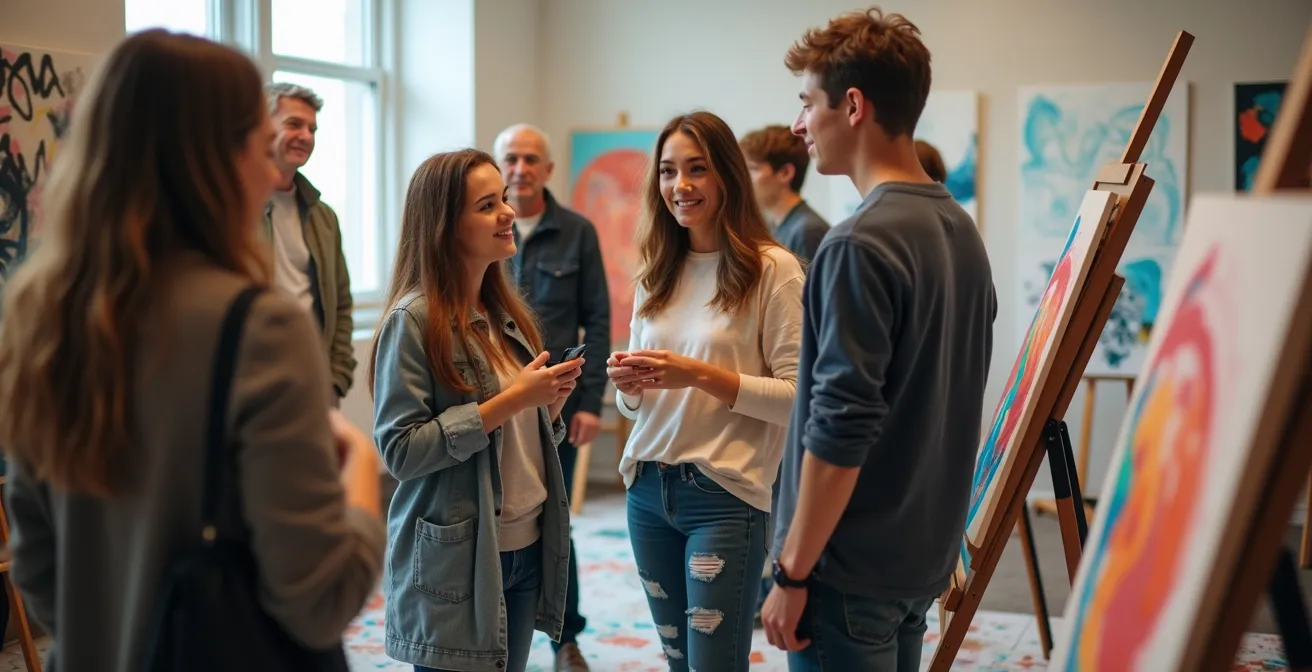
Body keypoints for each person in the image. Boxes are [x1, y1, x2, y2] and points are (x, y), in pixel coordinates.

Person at [0, 30, 385, 671]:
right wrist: (364, 476)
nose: (272, 173)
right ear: (210, 159)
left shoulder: (39, 315)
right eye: (260, 147)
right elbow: (322, 598)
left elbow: (40, 578)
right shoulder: (258, 327)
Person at [763, 8, 996, 672]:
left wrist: (792, 573)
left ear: (854, 105)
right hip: (920, 557)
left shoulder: (858, 243)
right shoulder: (960, 230)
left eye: (808, 103)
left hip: (846, 571)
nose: (798, 125)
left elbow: (840, 426)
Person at [370, 148, 585, 672]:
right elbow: (401, 451)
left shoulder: (505, 313)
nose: (509, 213)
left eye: (504, 200)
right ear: (445, 226)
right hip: (459, 561)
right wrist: (512, 401)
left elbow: (516, 443)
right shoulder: (413, 321)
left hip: (525, 547)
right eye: (488, 204)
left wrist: (546, 411)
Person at [606, 110, 805, 671]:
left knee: (713, 665)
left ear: (727, 178)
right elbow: (637, 401)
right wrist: (629, 387)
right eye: (669, 171)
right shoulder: (656, 270)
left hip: (724, 494)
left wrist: (696, 374)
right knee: (677, 662)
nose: (681, 186)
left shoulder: (774, 270)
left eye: (697, 169)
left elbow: (797, 397)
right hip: (646, 489)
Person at [494, 123, 611, 672]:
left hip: (556, 407)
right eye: (510, 159)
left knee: (554, 521)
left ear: (547, 169)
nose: (520, 168)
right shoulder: (488, 228)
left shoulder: (578, 231)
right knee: (500, 522)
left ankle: (565, 637)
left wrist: (589, 400)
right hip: (497, 403)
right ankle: (495, 630)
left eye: (530, 159)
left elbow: (599, 319)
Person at [264, 82, 356, 404]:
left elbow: (342, 303)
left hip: (314, 383)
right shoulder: (235, 210)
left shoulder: (323, 217)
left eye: (312, 128)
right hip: (257, 383)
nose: (306, 135)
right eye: (293, 124)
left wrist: (336, 379)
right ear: (262, 127)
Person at [739, 124, 831, 261]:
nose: (743, 179)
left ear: (785, 173)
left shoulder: (806, 232)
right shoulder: (777, 227)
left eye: (752, 169)